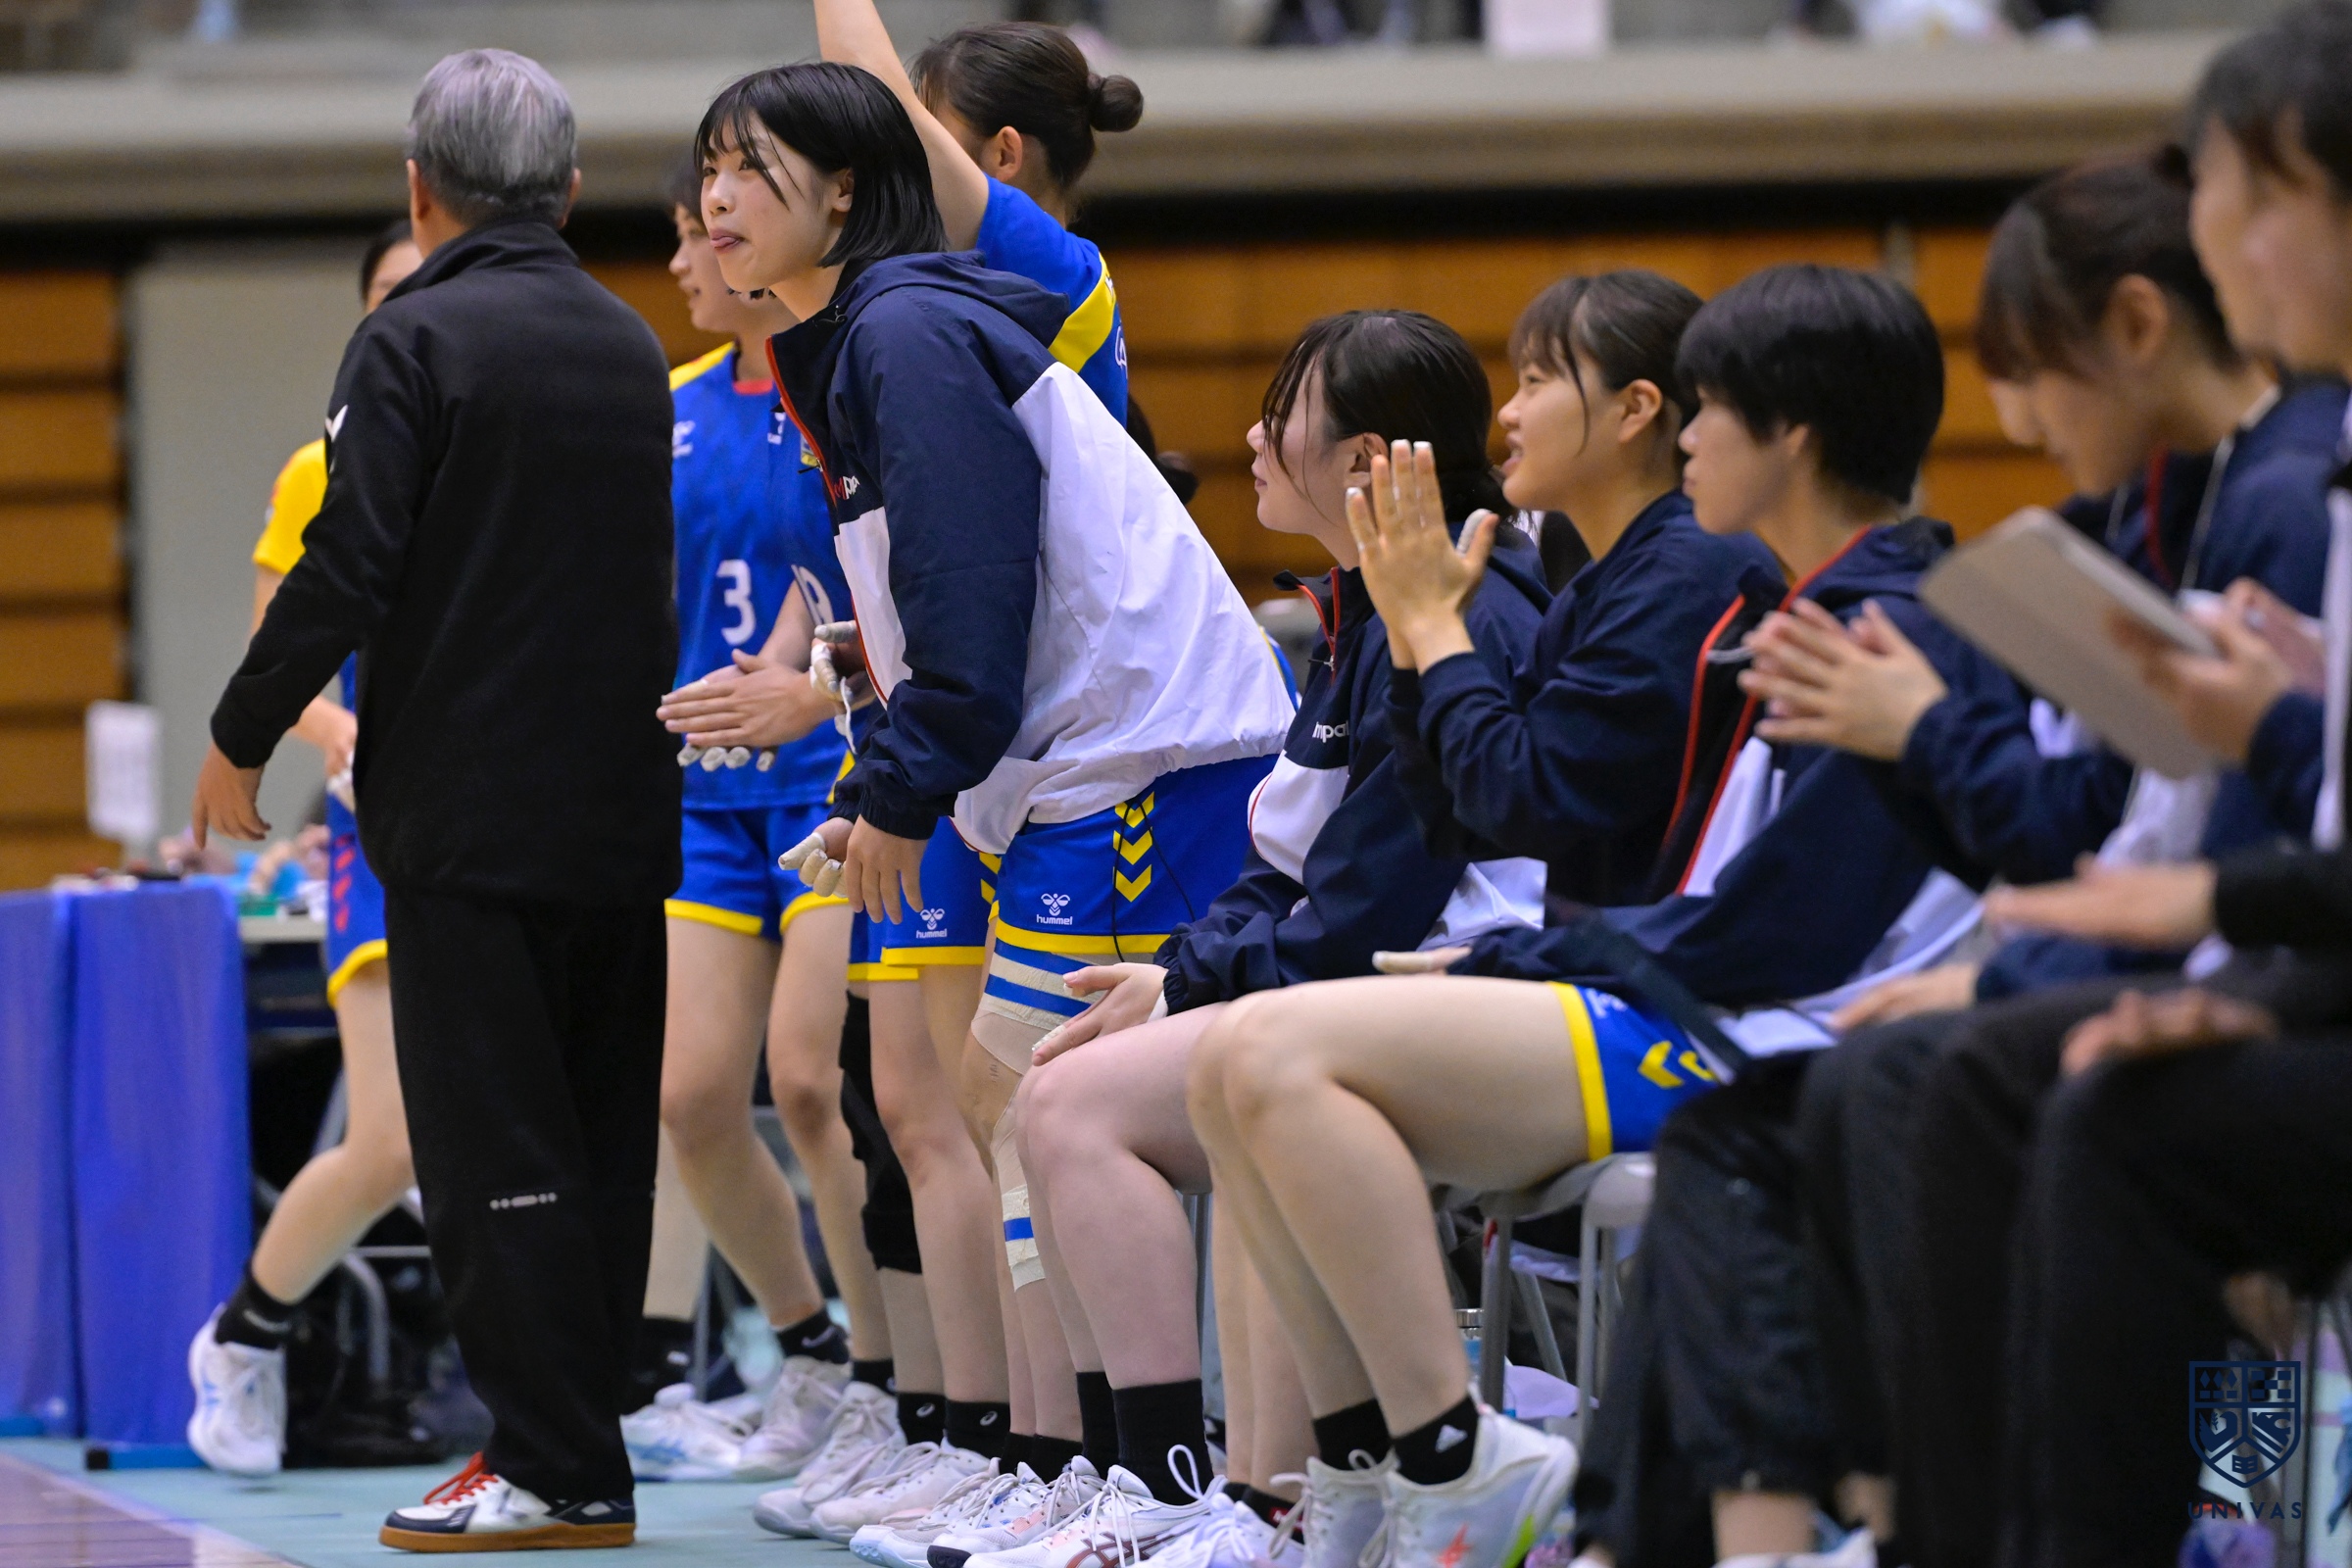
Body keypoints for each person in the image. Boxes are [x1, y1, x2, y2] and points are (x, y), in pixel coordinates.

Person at [1188, 266, 2006, 1568]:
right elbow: (1493, 810)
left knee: (1268, 1053)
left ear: (1790, 434)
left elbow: (1763, 926)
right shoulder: (1773, 597)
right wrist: (1417, 639)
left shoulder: (1863, 619)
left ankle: (1452, 1459)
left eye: (1710, 407)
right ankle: (1372, 1477)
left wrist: (1519, 950)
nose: (1691, 433)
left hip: (1770, 1034)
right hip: (1693, 998)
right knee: (1234, 1060)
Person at [1011, 273, 1760, 1568]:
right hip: (1549, 977)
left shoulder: (1640, 580)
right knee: (1221, 1060)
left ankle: (1354, 1472)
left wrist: (1428, 633)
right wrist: (1200, 969)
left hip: (1652, 1012)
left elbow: (1483, 820)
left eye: (1541, 379)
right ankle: (1336, 1487)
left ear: (1642, 410)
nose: (1509, 413)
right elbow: (1341, 849)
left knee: (1240, 1057)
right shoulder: (1546, 589)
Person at [696, 57, 1294, 1527]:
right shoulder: (861, 341)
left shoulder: (905, 331)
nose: (714, 199)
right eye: (707, 168)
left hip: (1150, 756)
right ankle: (1063, 1469)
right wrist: (886, 785)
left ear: (847, 193)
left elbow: (973, 602)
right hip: (1063, 766)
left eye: (751, 168)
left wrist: (903, 790)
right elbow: (925, 626)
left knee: (1039, 1102)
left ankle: (1152, 1477)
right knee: (1001, 1099)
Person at [1756, 149, 2344, 1568]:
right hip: (2239, 939)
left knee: (1964, 1089)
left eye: (2028, 371)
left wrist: (1924, 739)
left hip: (2264, 954)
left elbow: (2151, 827)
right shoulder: (2169, 502)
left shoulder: (2269, 494)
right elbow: (2120, 817)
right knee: (1852, 1096)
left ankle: (2083, 1527)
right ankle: (1888, 1523)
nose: (2017, 415)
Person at [192, 50, 677, 1549]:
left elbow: (347, 560)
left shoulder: (409, 338)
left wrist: (241, 734)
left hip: (471, 819)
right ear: (569, 191)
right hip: (622, 813)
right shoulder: (629, 344)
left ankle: (546, 1465)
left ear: (421, 190)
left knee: (489, 1154)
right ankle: (583, 1461)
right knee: (599, 1147)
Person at [994, 310, 1549, 1568]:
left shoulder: (1465, 611)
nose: (1251, 436)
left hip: (1462, 994)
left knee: (1093, 1103)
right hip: (1357, 986)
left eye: (1282, 412)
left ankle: (1207, 1492)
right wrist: (1182, 972)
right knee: (1070, 1087)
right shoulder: (1357, 613)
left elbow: (1377, 895)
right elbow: (1287, 866)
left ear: (1363, 460)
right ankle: (1220, 1491)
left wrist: (1193, 985)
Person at [810, 0, 1147, 1484]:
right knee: (938, 1105)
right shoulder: (895, 321)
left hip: (1055, 746)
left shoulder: (1052, 277)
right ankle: (997, 1445)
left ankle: (1077, 1452)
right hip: (971, 748)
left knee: (1014, 1111)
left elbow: (874, 117)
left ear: (995, 157)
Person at [616, 156, 897, 1483]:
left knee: (811, 1079)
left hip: (835, 782)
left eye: (701, 234)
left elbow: (859, 574)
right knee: (687, 1098)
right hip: (706, 799)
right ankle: (812, 1346)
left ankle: (890, 1375)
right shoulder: (666, 410)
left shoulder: (840, 383)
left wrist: (813, 674)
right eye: (682, 235)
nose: (686, 259)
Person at [184, 220, 423, 1479]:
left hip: (504, 829)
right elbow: (280, 657)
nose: (414, 305)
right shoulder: (317, 468)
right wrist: (343, 734)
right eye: (390, 291)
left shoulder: (501, 449)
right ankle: (243, 1336)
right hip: (377, 833)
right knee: (388, 1143)